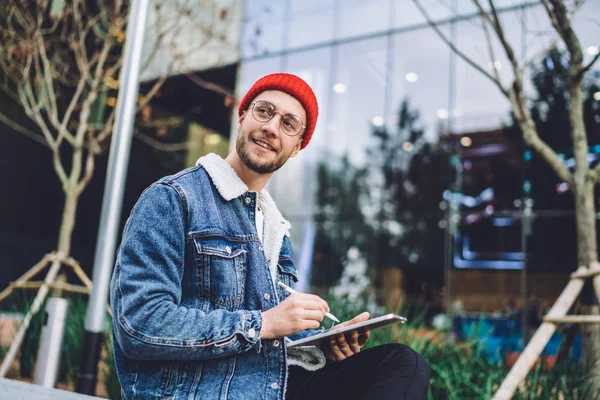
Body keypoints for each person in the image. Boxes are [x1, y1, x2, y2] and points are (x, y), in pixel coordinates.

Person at [109, 73, 430, 399]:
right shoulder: (174, 198)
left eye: (289, 124)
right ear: (242, 116)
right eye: (264, 111)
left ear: (296, 147)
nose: (272, 127)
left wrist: (324, 347)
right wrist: (261, 324)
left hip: (264, 387)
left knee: (402, 364)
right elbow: (139, 325)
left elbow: (275, 335)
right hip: (198, 392)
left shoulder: (275, 229)